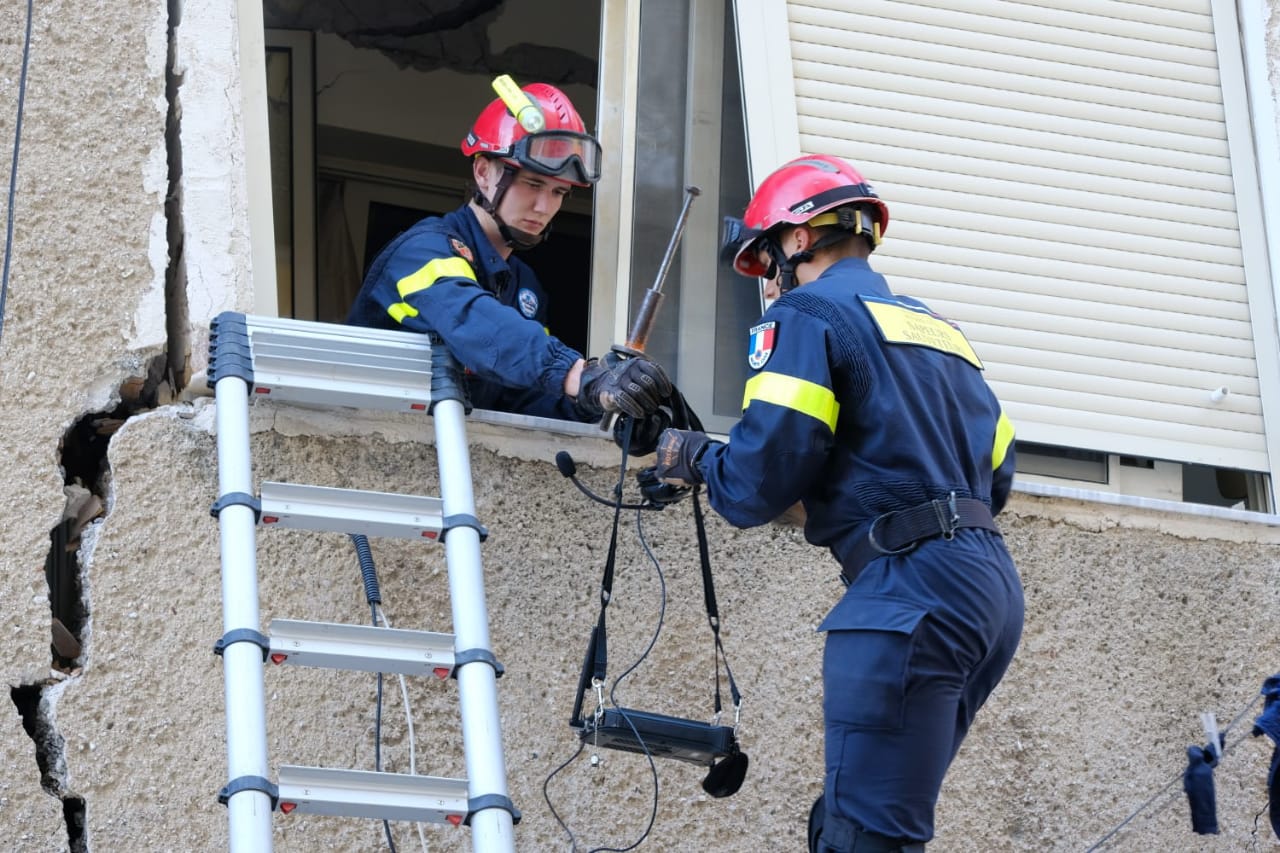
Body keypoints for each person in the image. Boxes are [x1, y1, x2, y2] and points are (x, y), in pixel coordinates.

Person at [653, 154, 1024, 852]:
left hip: (907, 596)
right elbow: (997, 475)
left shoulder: (806, 315)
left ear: (796, 241)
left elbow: (757, 480)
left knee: (865, 834)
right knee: (868, 814)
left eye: (765, 264)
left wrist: (695, 457)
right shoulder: (942, 334)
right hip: (989, 592)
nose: (768, 286)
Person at [347, 80, 670, 421]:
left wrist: (605, 409)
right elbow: (471, 320)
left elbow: (522, 398)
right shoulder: (423, 251)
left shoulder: (522, 284)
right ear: (484, 172)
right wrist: (581, 375)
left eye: (559, 192)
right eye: (533, 184)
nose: (545, 206)